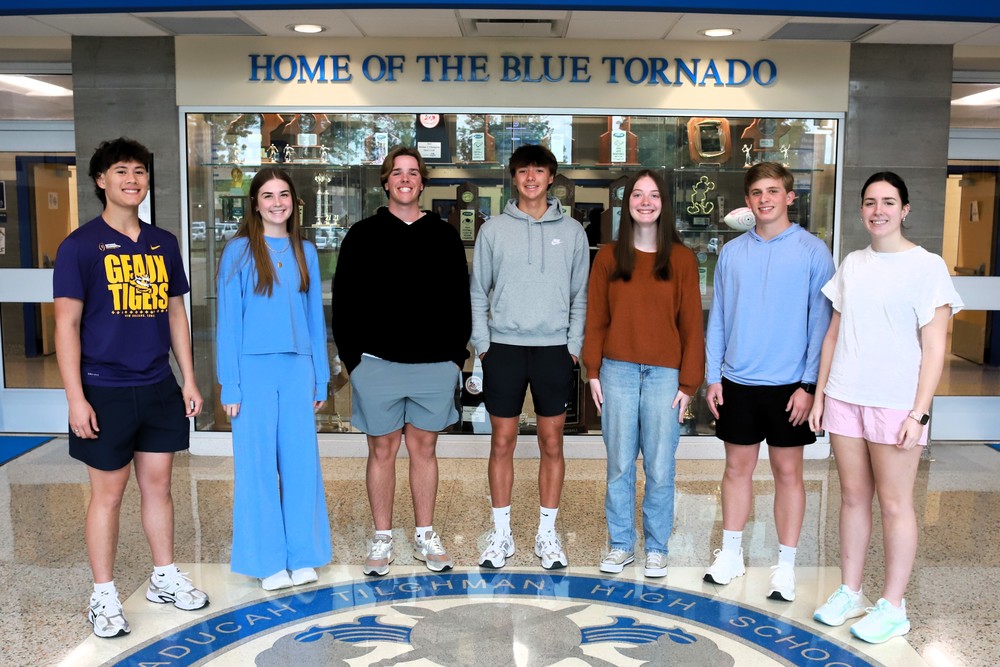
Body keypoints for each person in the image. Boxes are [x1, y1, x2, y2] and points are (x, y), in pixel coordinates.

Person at [53, 137, 209, 638]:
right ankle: (103, 594)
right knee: (108, 496)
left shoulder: (163, 242)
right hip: (104, 388)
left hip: (158, 385)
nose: (132, 180)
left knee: (159, 488)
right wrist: (76, 397)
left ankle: (163, 576)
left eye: (139, 172)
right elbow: (66, 326)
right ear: (101, 180)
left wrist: (187, 377)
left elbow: (175, 312)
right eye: (121, 171)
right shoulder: (78, 246)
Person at [809, 172, 962, 643]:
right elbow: (833, 334)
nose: (879, 210)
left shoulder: (927, 266)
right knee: (853, 499)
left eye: (889, 201)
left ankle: (894, 606)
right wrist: (820, 395)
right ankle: (850, 591)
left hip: (896, 405)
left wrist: (919, 413)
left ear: (905, 209)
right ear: (861, 210)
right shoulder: (853, 264)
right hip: (845, 396)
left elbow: (934, 347)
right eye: (871, 202)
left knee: (896, 505)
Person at [331, 146, 471, 577]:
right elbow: (344, 305)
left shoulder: (444, 235)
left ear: (422, 183)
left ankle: (425, 533)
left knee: (424, 449)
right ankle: (383, 536)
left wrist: (453, 359)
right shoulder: (362, 234)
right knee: (382, 449)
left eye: (413, 172)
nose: (405, 179)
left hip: (433, 366)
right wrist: (356, 363)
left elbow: (459, 303)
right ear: (386, 182)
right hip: (377, 364)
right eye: (397, 172)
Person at [703, 162, 834, 602]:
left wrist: (809, 385)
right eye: (757, 192)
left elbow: (821, 324)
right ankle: (732, 554)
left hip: (789, 387)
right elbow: (718, 317)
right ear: (748, 200)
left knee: (788, 474)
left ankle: (786, 565)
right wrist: (712, 376)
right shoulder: (733, 253)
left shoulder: (813, 252)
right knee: (736, 470)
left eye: (773, 191)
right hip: (737, 381)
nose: (765, 199)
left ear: (789, 197)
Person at [470, 144, 589, 570]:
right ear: (514, 178)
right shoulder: (493, 230)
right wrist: (483, 345)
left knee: (551, 442)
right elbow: (478, 291)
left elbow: (581, 295)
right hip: (503, 348)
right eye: (524, 171)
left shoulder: (573, 231)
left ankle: (546, 534)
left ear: (551, 177)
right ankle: (501, 534)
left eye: (539, 170)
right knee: (501, 441)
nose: (532, 178)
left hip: (554, 350)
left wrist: (573, 345)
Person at [583, 170, 705, 578]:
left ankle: (656, 547)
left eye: (654, 195)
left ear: (664, 204)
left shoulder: (682, 259)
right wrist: (593, 370)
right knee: (618, 464)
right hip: (615, 371)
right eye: (638, 194)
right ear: (627, 202)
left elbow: (691, 325)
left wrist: (689, 384)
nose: (646, 202)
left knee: (660, 465)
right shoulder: (608, 255)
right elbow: (596, 318)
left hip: (665, 376)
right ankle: (621, 544)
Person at [216, 167, 332, 591]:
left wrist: (320, 379)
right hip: (253, 372)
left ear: (294, 202)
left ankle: (303, 555)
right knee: (258, 469)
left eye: (284, 194)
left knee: (302, 467)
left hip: (297, 370)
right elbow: (228, 321)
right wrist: (230, 383)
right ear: (256, 203)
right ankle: (267, 561)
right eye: (268, 195)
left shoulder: (306, 250)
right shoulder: (239, 252)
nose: (277, 202)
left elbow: (315, 320)